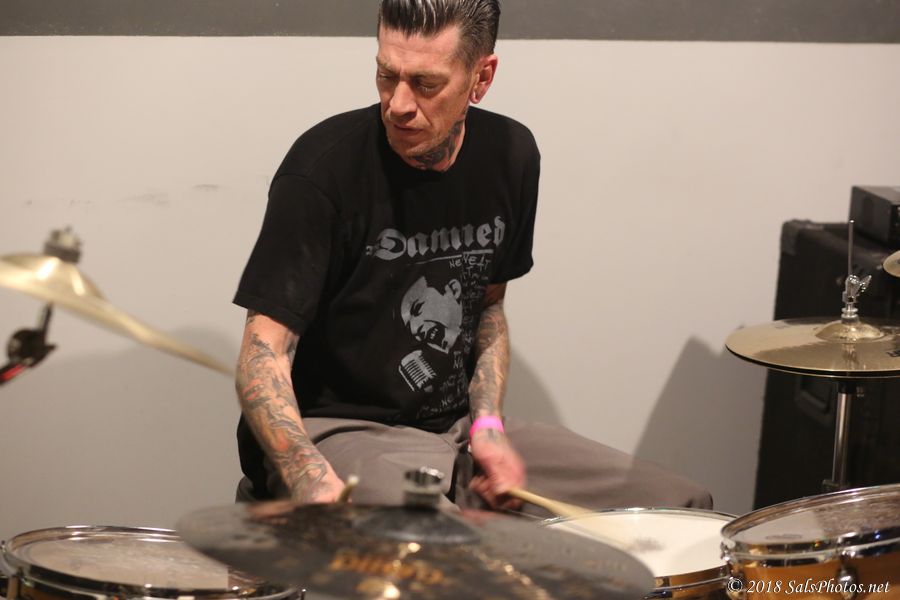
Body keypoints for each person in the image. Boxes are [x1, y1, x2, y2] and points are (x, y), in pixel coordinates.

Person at [233, 0, 712, 513]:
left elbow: (488, 308)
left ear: (480, 79)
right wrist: (306, 473)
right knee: (439, 544)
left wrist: (487, 426)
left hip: (456, 430)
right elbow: (264, 354)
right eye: (386, 75)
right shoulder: (320, 172)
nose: (397, 104)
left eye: (426, 84)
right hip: (338, 431)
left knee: (680, 507)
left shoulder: (511, 155)